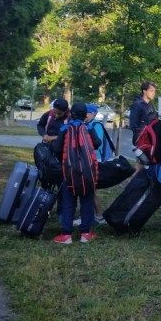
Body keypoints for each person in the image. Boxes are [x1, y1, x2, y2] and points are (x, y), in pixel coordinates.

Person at [51, 103, 102, 244]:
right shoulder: (89, 127)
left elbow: (56, 148)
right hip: (88, 170)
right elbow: (97, 143)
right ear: (85, 115)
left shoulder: (64, 128)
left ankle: (66, 235)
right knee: (86, 200)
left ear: (71, 114)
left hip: (69, 171)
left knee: (68, 201)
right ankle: (85, 233)